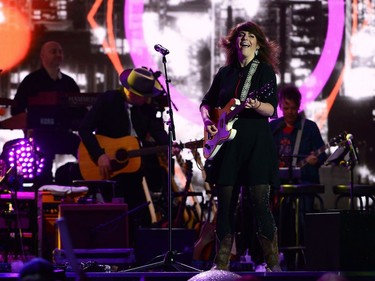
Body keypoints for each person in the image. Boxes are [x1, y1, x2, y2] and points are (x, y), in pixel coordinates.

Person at [200, 21, 281, 272]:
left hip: (257, 145)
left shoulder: (265, 72)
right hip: (227, 147)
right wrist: (208, 121)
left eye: (250, 36)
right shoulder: (225, 73)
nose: (244, 38)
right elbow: (206, 103)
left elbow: (271, 109)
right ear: (234, 43)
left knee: (260, 203)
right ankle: (221, 264)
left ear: (258, 44)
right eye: (240, 35)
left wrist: (256, 105)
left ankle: (272, 264)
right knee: (225, 205)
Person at [78, 66, 179, 247]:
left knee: (141, 214)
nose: (148, 99)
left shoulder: (147, 108)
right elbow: (85, 129)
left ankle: (140, 255)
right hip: (109, 169)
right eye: (144, 95)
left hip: (134, 170)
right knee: (115, 217)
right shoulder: (108, 100)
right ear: (132, 93)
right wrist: (99, 155)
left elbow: (157, 131)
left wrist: (169, 146)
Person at [10, 41, 84, 187]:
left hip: (63, 133)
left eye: (60, 51)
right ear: (42, 56)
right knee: (44, 171)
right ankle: (42, 199)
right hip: (39, 135)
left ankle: (81, 189)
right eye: (54, 51)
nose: (58, 54)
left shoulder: (69, 83)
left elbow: (80, 110)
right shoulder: (31, 81)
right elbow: (17, 108)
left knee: (86, 152)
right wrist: (27, 129)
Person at [269, 84, 327, 269]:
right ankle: (282, 261)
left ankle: (304, 263)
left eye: (293, 108)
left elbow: (323, 155)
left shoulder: (309, 128)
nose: (290, 112)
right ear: (280, 107)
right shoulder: (273, 128)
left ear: (299, 106)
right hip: (280, 187)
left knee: (304, 224)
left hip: (304, 185)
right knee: (280, 224)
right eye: (286, 108)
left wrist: (313, 159)